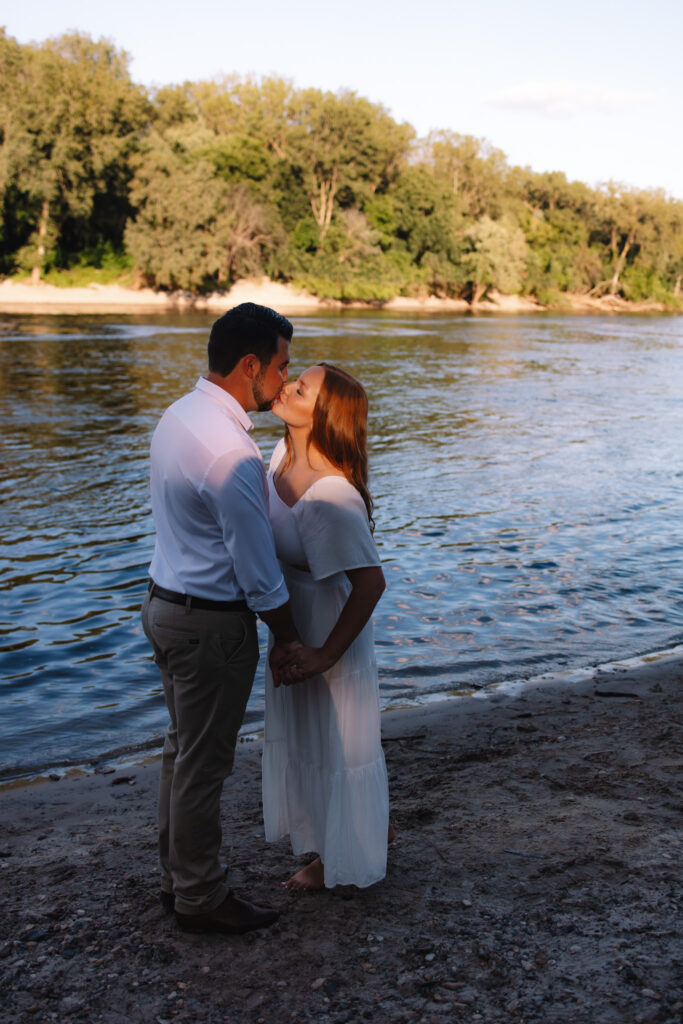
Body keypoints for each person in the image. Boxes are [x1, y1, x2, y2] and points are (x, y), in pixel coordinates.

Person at [141, 302, 302, 934]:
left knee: (182, 754)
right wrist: (292, 641)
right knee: (204, 765)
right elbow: (259, 573)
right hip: (208, 624)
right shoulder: (231, 452)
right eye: (281, 366)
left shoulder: (181, 414)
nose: (285, 382)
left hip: (164, 604)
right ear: (250, 365)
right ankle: (201, 897)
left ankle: (176, 879)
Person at [262, 363, 391, 890]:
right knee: (305, 741)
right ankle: (323, 849)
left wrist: (325, 655)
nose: (287, 386)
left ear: (323, 414)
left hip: (332, 630)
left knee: (341, 749)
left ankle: (351, 856)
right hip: (292, 620)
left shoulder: (334, 495)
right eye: (294, 379)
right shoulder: (278, 456)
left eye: (301, 388)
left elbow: (370, 584)